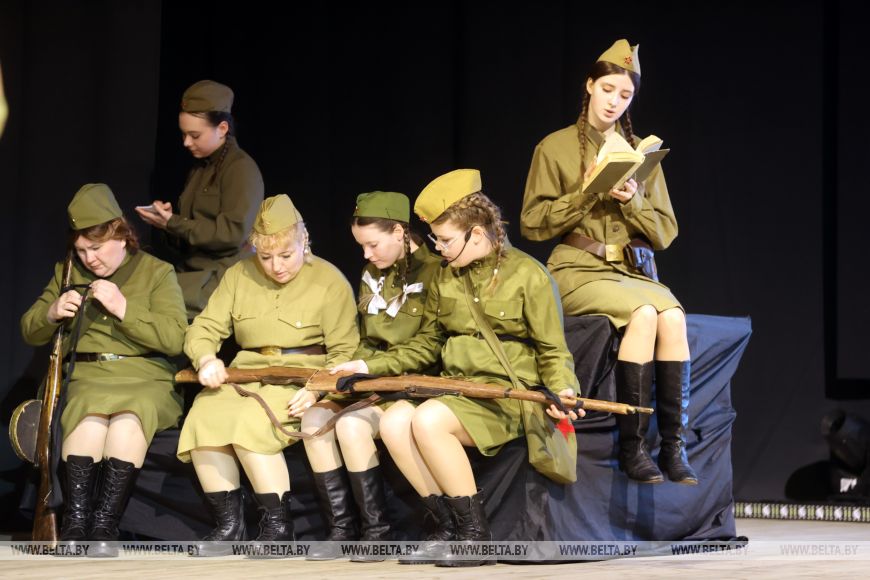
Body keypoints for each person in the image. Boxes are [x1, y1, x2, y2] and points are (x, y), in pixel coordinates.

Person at [333, 169, 581, 567]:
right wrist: (368, 365)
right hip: (456, 389)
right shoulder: (447, 277)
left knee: (428, 420)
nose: (439, 249)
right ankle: (445, 527)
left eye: (446, 240)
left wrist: (563, 389)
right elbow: (428, 343)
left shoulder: (528, 275)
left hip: (506, 395)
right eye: (436, 239)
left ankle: (475, 536)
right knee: (395, 422)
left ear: (477, 234)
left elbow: (553, 349)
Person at [520, 39, 697, 485]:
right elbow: (532, 224)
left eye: (625, 94)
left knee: (673, 316)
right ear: (589, 86)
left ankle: (673, 446)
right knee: (643, 313)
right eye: (607, 89)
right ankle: (632, 447)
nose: (614, 101)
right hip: (577, 269)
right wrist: (587, 193)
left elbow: (666, 232)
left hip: (631, 272)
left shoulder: (639, 152)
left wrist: (633, 199)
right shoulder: (555, 147)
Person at [177, 194, 359, 556]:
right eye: (265, 257)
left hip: (300, 375)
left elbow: (345, 353)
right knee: (202, 417)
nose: (276, 266)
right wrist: (206, 359)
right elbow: (204, 327)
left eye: (286, 255)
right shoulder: (238, 275)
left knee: (250, 422)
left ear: (304, 241)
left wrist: (318, 389)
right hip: (246, 373)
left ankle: (278, 527)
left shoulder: (329, 280)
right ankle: (229, 527)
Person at [21, 184, 187, 555]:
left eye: (96, 248)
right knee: (87, 417)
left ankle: (104, 525)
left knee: (129, 417)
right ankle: (76, 523)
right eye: (82, 250)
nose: (89, 259)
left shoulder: (156, 272)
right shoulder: (67, 272)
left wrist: (125, 309)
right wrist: (51, 313)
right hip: (88, 376)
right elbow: (29, 330)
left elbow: (175, 338)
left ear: (121, 235)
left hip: (144, 377)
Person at [301, 191, 441, 561]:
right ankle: (345, 529)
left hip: (412, 383)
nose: (366, 254)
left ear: (399, 232)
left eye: (372, 244)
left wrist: (368, 367)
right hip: (373, 378)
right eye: (361, 246)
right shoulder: (371, 273)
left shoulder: (436, 271)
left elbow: (429, 347)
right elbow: (366, 339)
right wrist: (346, 371)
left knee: (351, 426)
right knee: (313, 419)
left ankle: (383, 531)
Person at [136, 80, 264, 320]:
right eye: (184, 134)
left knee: (148, 305)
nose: (186, 142)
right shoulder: (200, 169)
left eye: (194, 135)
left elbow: (231, 234)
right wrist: (165, 223)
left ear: (222, 128)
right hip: (193, 273)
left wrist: (174, 223)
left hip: (222, 277)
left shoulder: (241, 169)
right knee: (137, 287)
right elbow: (189, 240)